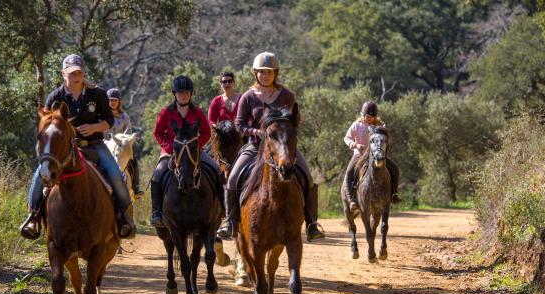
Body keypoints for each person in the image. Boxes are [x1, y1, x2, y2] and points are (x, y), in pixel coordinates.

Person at [20, 54, 134, 240]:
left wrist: (94, 127)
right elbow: (46, 126)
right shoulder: (54, 97)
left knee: (115, 175)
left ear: (83, 73)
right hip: (64, 150)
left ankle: (124, 218)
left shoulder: (97, 94)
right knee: (40, 177)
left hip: (95, 145)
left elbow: (109, 120)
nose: (76, 76)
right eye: (72, 73)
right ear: (63, 73)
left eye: (79, 72)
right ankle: (33, 217)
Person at [216, 51, 325, 242]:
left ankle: (311, 224)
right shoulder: (248, 96)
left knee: (307, 177)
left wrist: (285, 135)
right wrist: (255, 132)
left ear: (276, 73)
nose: (265, 75)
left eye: (269, 72)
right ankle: (231, 222)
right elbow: (239, 124)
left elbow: (295, 121)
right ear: (255, 73)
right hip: (255, 147)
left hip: (282, 147)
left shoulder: (287, 95)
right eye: (261, 72)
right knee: (233, 179)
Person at [150, 75, 225, 227]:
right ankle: (156, 212)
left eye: (186, 92)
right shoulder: (165, 112)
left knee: (217, 170)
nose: (183, 95)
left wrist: (196, 146)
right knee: (157, 176)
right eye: (180, 92)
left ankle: (223, 208)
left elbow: (206, 133)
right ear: (174, 94)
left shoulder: (197, 112)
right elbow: (157, 133)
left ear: (190, 94)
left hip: (194, 152)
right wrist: (172, 147)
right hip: (170, 152)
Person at [343, 100, 401, 212]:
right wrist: (354, 144)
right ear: (363, 114)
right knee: (349, 172)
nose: (371, 118)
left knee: (395, 169)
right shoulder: (356, 125)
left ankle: (393, 194)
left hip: (376, 155)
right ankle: (352, 200)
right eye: (369, 116)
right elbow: (347, 138)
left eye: (373, 116)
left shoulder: (378, 126)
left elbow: (385, 140)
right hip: (359, 155)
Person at [104, 88, 144, 198]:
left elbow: (129, 132)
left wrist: (126, 140)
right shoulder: (102, 115)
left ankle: (136, 188)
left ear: (119, 102)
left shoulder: (124, 117)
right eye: (110, 100)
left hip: (121, 146)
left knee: (133, 161)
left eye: (115, 100)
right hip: (105, 145)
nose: (112, 102)